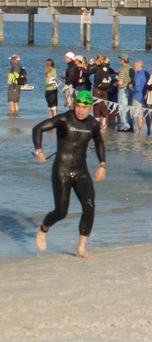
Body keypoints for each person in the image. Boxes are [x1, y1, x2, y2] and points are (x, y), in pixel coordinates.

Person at [33, 90, 106, 258]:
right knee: (61, 212)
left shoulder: (93, 124)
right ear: (74, 105)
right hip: (62, 170)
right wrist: (39, 151)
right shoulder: (64, 119)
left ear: (90, 107)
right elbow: (38, 129)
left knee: (90, 205)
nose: (80, 110)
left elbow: (99, 143)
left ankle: (81, 248)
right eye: (78, 106)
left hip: (81, 171)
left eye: (84, 107)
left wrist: (103, 165)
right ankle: (44, 228)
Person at [91, 55, 112, 131]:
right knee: (104, 106)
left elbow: (87, 73)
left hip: (98, 89)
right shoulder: (107, 68)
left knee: (96, 106)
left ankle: (96, 123)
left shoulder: (97, 68)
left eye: (96, 60)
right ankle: (104, 124)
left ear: (99, 60)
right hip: (105, 89)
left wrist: (90, 65)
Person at [116, 54, 134, 132]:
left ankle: (125, 126)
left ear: (123, 60)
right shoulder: (132, 69)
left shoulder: (123, 69)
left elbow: (120, 82)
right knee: (129, 108)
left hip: (123, 89)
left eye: (120, 59)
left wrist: (114, 84)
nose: (120, 60)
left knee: (123, 108)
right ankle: (131, 124)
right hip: (131, 90)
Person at [132, 60, 150, 135]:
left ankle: (139, 130)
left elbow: (137, 88)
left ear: (138, 66)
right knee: (146, 114)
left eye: (135, 66)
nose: (134, 67)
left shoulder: (138, 76)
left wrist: (131, 87)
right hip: (146, 97)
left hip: (139, 97)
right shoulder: (147, 73)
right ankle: (149, 129)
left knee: (139, 115)